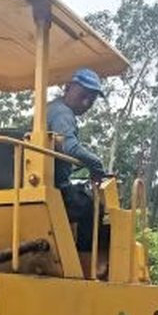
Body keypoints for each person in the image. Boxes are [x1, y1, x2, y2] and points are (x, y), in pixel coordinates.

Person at [47, 68, 108, 277]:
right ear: (68, 87)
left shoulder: (50, 110)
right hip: (51, 189)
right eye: (83, 95)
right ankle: (87, 265)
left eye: (91, 100)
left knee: (81, 195)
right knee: (92, 205)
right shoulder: (62, 112)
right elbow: (70, 148)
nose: (86, 103)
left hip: (40, 184)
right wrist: (96, 166)